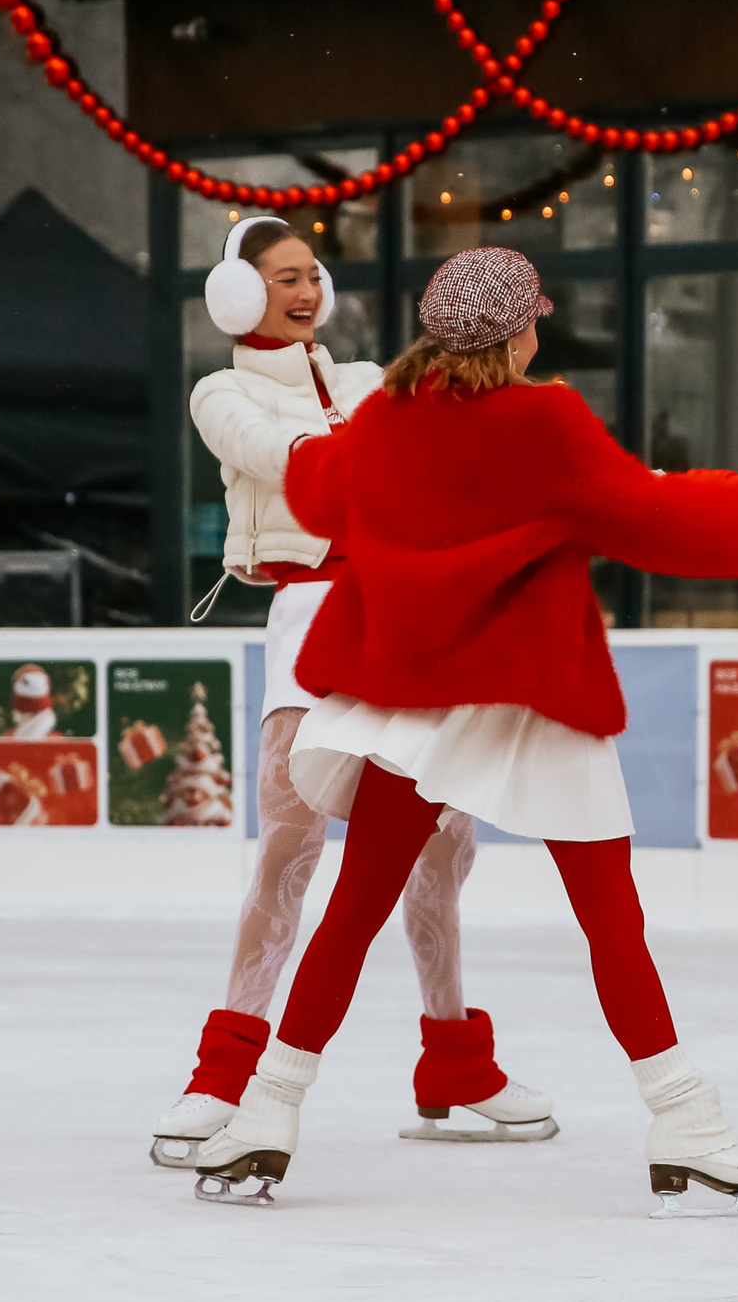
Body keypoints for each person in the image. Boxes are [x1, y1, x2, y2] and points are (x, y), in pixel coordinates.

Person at [190, 248, 738, 1214]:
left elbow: (317, 498)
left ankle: (267, 1112)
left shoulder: (387, 415)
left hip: (419, 703)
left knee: (356, 906)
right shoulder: (547, 417)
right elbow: (644, 517)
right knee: (611, 917)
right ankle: (683, 1118)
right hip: (531, 692)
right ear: (520, 329)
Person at [151, 218, 551, 1170]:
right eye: (280, 277)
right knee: (289, 844)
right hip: (311, 616)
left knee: (442, 848)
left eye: (309, 275)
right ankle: (225, 1072)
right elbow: (292, 460)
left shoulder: (372, 380)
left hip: (408, 613)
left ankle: (454, 1061)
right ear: (238, 296)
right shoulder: (223, 391)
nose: (300, 290)